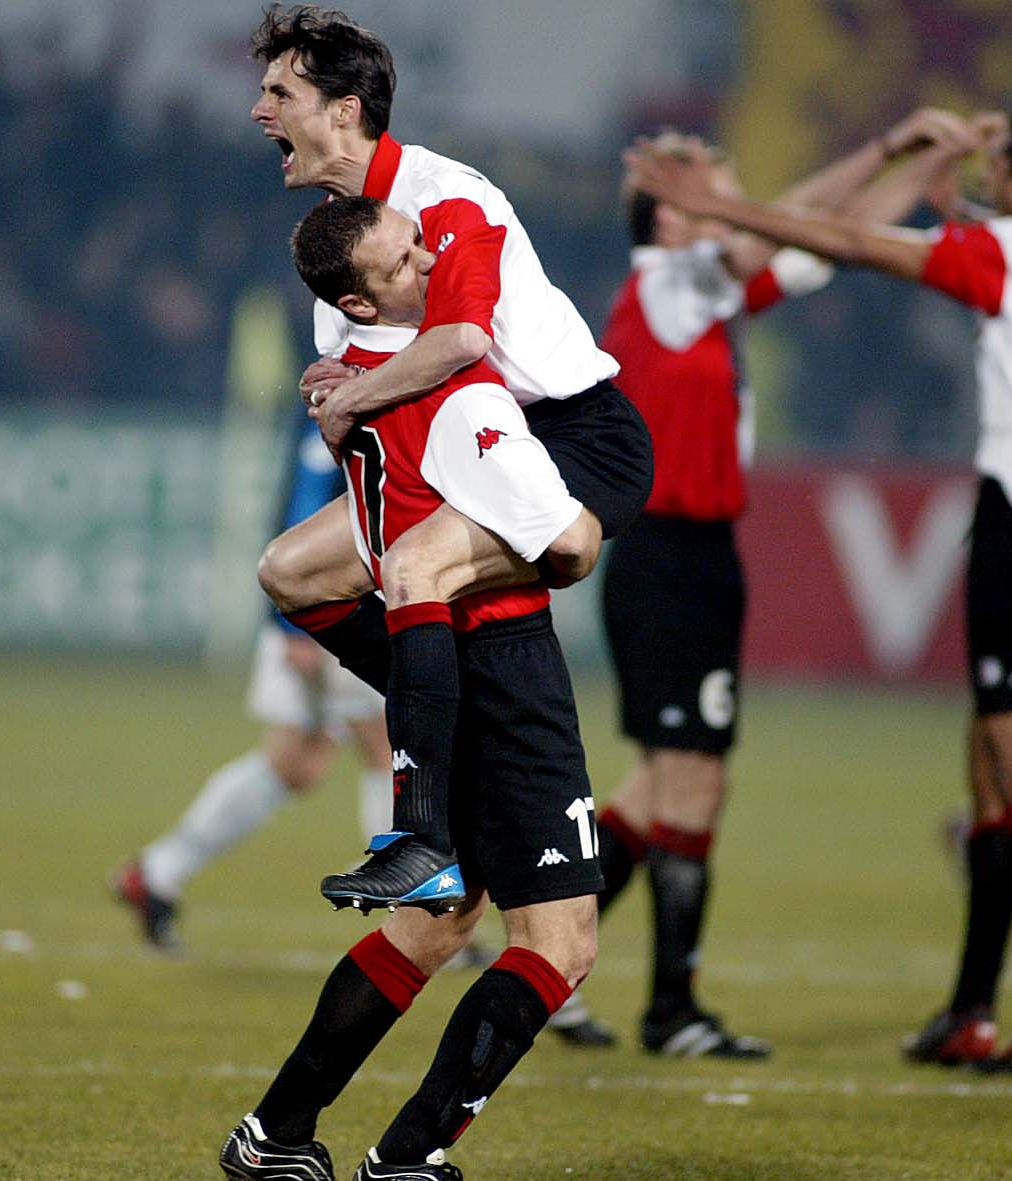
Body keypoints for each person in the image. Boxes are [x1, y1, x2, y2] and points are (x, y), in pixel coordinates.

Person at [627, 105, 1012, 1077]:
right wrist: (940, 179)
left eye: (1002, 166)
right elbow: (976, 229)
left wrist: (733, 209)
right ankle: (972, 1007)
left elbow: (854, 243)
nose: (992, 175)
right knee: (988, 763)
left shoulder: (1008, 258)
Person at [564, 115, 980, 1057]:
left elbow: (838, 237)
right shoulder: (670, 282)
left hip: (696, 557)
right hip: (669, 557)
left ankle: (544, 959)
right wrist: (880, 145)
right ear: (672, 214)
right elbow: (778, 223)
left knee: (656, 784)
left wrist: (921, 163)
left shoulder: (711, 289)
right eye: (714, 186)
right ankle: (671, 1009)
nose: (734, 199)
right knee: (696, 783)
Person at [220, 194, 601, 1181]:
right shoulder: (464, 397)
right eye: (404, 257)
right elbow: (564, 542)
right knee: (557, 943)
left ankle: (274, 1132)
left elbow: (323, 558)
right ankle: (406, 1154)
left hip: (429, 659)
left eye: (421, 241)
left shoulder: (350, 378)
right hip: (507, 668)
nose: (430, 261)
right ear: (360, 294)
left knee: (434, 921)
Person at [246, 4, 653, 914]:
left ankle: (423, 834)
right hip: (473, 445)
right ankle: (448, 723)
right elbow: (371, 398)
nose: (259, 110)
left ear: (344, 109)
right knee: (292, 570)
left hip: (575, 439)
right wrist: (341, 399)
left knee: (416, 565)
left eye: (280, 91)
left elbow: (464, 337)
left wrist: (348, 396)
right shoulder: (342, 239)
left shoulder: (444, 197)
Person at [110, 404, 391, 953]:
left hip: (328, 602)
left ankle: (157, 873)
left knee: (296, 761)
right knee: (390, 743)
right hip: (334, 604)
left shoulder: (361, 382)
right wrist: (296, 624)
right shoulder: (357, 393)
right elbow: (307, 497)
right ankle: (420, 914)